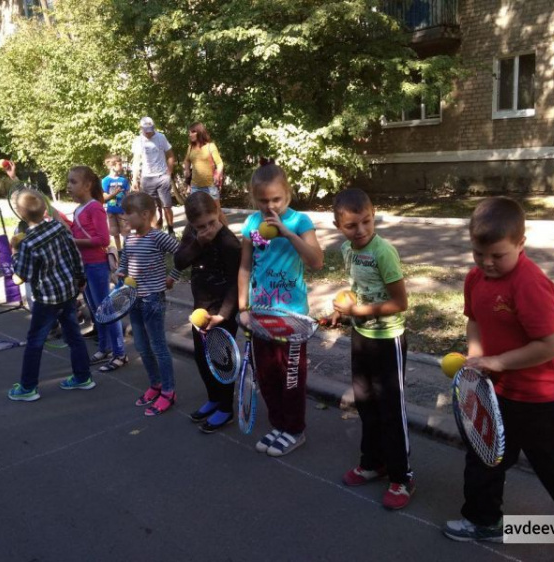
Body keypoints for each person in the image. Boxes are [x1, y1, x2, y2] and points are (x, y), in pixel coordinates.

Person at [442, 197, 554, 562]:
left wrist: (498, 361)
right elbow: (475, 318)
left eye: (498, 255)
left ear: (521, 245)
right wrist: (477, 357)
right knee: (485, 458)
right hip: (499, 394)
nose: (487, 263)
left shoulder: (529, 283)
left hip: (544, 401)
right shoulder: (476, 278)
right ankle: (484, 520)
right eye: (479, 254)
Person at [326, 188, 413, 510]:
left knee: (391, 409)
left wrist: (359, 312)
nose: (361, 230)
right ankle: (373, 462)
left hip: (387, 339)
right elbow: (358, 289)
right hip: (361, 335)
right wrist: (341, 309)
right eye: (352, 226)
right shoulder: (349, 252)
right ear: (339, 227)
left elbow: (400, 303)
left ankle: (402, 478)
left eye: (366, 222)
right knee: (365, 402)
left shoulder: (383, 252)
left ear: (373, 216)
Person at [237, 161, 323, 456]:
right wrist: (242, 308)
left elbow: (316, 261)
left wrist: (287, 232)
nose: (270, 206)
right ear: (253, 197)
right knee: (267, 374)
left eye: (276, 199)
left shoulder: (300, 222)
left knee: (291, 376)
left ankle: (295, 429)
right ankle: (279, 425)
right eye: (263, 201)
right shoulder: (251, 225)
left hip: (292, 317)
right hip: (260, 314)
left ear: (287, 194)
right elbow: (245, 267)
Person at [7, 190, 93, 401]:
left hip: (47, 298)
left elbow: (22, 274)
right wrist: (80, 279)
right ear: (45, 208)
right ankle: (83, 376)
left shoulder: (27, 242)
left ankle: (28, 387)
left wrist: (15, 252)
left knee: (35, 340)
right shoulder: (58, 227)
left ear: (21, 214)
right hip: (68, 292)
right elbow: (74, 254)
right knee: (73, 334)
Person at [174, 192, 241, 433]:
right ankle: (213, 398)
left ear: (217, 213)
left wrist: (223, 314)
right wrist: (198, 242)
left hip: (223, 311)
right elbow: (180, 261)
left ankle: (226, 407)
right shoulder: (192, 235)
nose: (207, 229)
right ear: (192, 224)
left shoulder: (229, 242)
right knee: (202, 358)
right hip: (200, 309)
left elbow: (237, 282)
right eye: (200, 226)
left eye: (211, 223)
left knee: (222, 360)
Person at [117, 192, 182, 416]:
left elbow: (182, 254)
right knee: (142, 346)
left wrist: (172, 277)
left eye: (128, 213)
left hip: (153, 299)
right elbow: (125, 260)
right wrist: (120, 271)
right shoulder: (130, 238)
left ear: (145, 215)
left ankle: (169, 391)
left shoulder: (158, 237)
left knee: (158, 346)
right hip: (133, 299)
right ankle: (155, 385)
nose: (124, 217)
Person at [68, 166, 128, 373]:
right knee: (95, 310)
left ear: (87, 185)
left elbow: (102, 239)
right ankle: (105, 348)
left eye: (73, 182)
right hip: (84, 265)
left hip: (96, 265)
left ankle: (120, 353)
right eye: (68, 182)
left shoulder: (95, 208)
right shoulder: (78, 209)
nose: (69, 186)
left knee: (106, 310)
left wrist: (74, 241)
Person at [131, 116, 177, 236]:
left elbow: (171, 156)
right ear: (141, 129)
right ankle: (155, 233)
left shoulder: (161, 137)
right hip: (147, 178)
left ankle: (171, 231)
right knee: (151, 207)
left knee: (166, 205)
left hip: (162, 176)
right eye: (146, 130)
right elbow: (136, 161)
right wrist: (134, 179)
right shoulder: (138, 141)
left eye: (151, 129)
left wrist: (169, 173)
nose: (149, 133)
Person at [183, 122, 227, 226]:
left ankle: (228, 236)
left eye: (193, 132)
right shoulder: (190, 148)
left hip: (210, 186)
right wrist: (187, 170)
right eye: (189, 132)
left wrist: (218, 174)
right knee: (195, 213)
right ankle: (197, 237)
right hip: (195, 187)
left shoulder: (210, 146)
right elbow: (186, 160)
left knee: (217, 212)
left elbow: (220, 163)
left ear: (199, 132)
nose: (190, 134)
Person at [101, 154, 131, 250]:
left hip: (122, 210)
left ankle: (128, 250)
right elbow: (104, 197)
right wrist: (114, 194)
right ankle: (119, 251)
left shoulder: (124, 180)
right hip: (111, 211)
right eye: (119, 164)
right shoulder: (105, 180)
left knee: (126, 232)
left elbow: (127, 194)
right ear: (112, 166)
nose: (121, 167)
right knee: (115, 233)